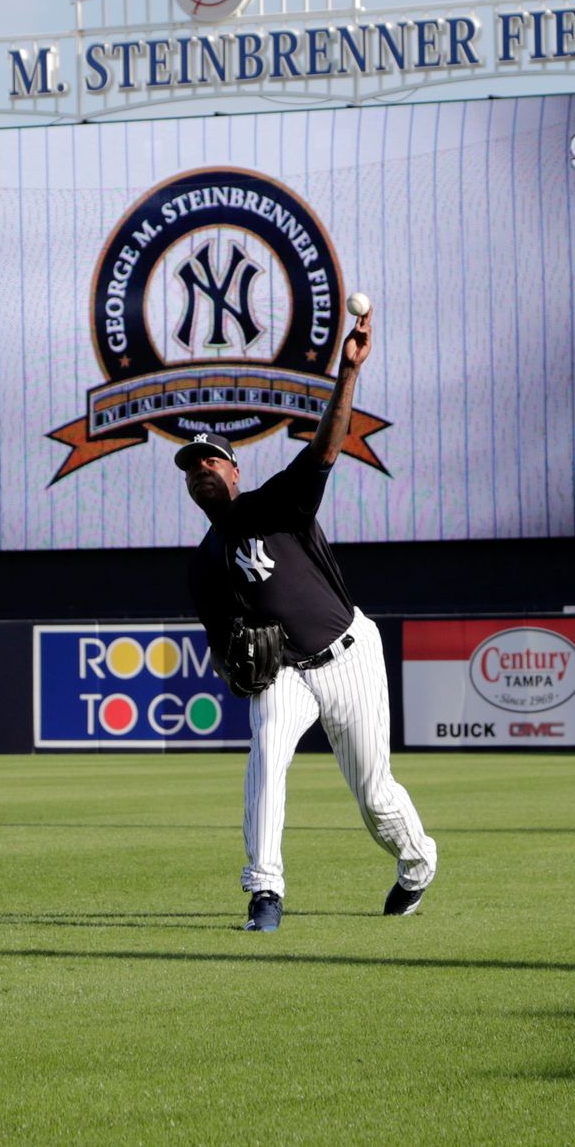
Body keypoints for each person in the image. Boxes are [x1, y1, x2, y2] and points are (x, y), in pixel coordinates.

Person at [177, 308, 438, 932]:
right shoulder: (206, 564)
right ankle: (264, 892)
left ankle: (417, 865)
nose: (200, 471)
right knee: (265, 752)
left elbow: (325, 449)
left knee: (376, 799)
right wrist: (236, 671)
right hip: (288, 674)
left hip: (349, 654)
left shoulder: (276, 505)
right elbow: (223, 646)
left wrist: (347, 373)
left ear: (234, 471)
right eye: (190, 467)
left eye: (210, 461)